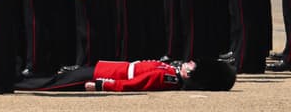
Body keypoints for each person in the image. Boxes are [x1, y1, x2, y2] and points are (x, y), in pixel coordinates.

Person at [15, 59, 236, 92]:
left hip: (104, 74)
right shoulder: (173, 72)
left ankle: (20, 84)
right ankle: (20, 80)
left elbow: (136, 83)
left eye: (192, 65)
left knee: (55, 85)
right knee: (59, 79)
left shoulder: (170, 78)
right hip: (106, 68)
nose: (188, 62)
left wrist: (102, 85)